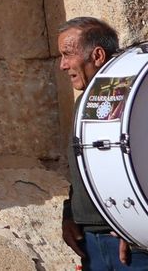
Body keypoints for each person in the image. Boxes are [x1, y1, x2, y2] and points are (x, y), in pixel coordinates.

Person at [58, 16, 147, 269]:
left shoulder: (138, 98)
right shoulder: (85, 103)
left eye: (68, 54)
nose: (63, 65)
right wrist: (69, 214)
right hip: (90, 243)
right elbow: (83, 167)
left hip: (132, 247)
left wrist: (135, 226)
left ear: (97, 56)